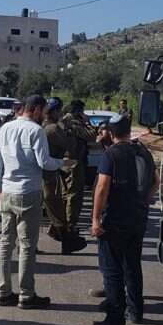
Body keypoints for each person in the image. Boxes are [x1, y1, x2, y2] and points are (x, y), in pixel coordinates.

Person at [0, 95, 70, 309]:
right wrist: (62, 163)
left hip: (7, 191)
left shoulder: (6, 128)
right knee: (27, 246)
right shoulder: (36, 131)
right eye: (43, 111)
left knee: (5, 243)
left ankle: (3, 291)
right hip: (28, 192)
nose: (44, 115)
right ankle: (26, 294)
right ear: (35, 109)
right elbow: (43, 162)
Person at [92, 113, 158, 325]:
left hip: (116, 219)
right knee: (133, 265)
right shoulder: (143, 152)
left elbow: (102, 187)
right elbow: (155, 181)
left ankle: (114, 320)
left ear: (111, 133)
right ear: (129, 131)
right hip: (138, 217)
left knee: (112, 270)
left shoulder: (111, 155)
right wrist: (145, 199)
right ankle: (136, 311)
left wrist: (95, 218)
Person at [41, 98, 87, 254]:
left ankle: (59, 235)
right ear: (53, 112)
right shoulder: (53, 129)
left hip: (45, 172)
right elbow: (70, 144)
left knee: (49, 208)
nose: (61, 113)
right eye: (58, 110)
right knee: (56, 207)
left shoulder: (42, 126)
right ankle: (67, 240)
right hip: (49, 174)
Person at [61, 100, 96, 235]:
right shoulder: (73, 122)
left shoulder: (63, 120)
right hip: (74, 162)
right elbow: (91, 136)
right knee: (74, 194)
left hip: (64, 161)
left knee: (65, 193)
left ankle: (64, 222)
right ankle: (69, 224)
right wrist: (88, 122)